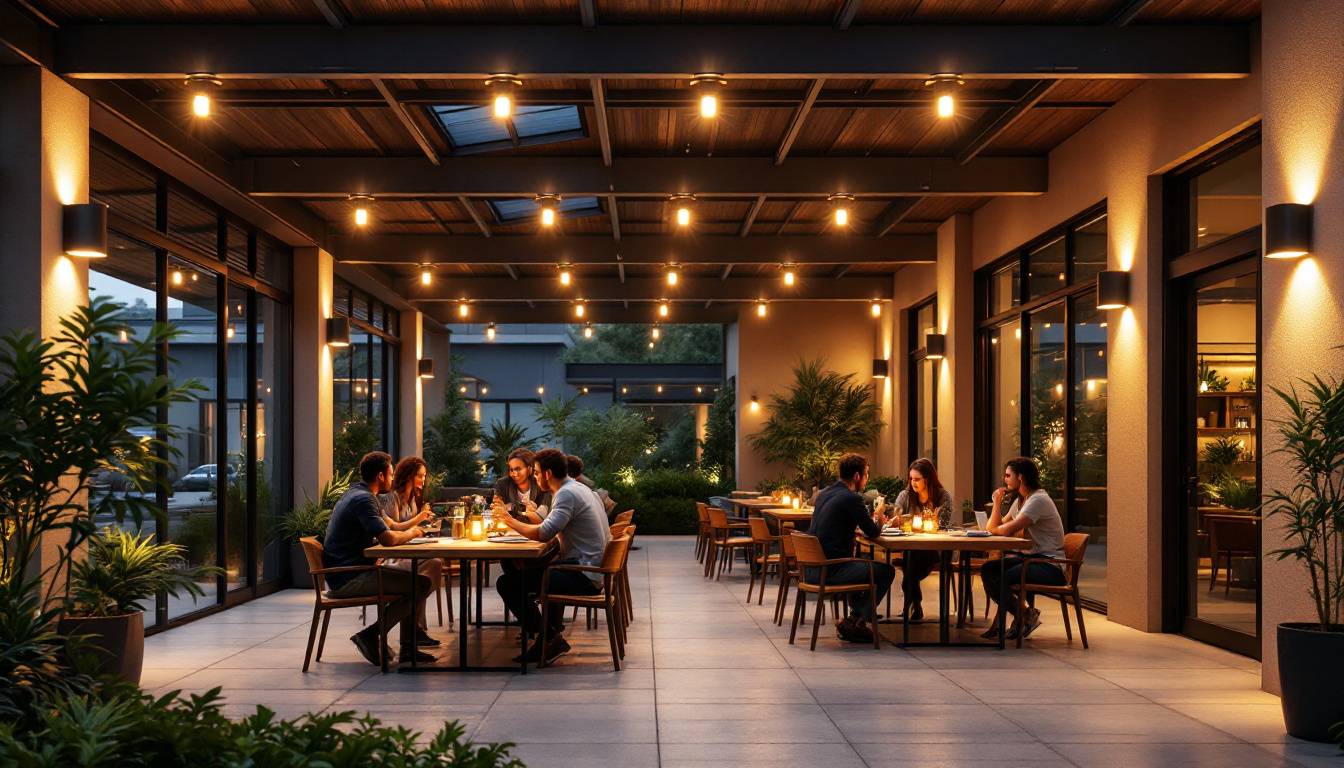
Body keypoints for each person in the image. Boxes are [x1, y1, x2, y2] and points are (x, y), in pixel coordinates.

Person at [496, 448, 612, 664]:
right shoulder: (580, 488)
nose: (535, 477)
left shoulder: (566, 493)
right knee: (529, 571)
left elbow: (543, 532)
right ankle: (547, 637)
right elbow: (550, 527)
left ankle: (547, 636)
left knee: (507, 583)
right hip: (590, 569)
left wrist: (509, 520)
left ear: (547, 474)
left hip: (584, 575)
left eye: (537, 472)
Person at [322, 451, 434, 666]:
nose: (393, 478)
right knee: (420, 584)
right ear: (381, 476)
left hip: (351, 571)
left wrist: (412, 528)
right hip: (347, 578)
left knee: (414, 580)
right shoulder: (363, 500)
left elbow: (390, 526)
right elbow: (388, 539)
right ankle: (371, 635)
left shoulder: (359, 493)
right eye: (391, 474)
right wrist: (413, 533)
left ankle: (406, 646)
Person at [804, 453, 897, 643]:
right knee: (885, 571)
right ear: (857, 476)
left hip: (811, 568)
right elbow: (872, 532)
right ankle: (856, 620)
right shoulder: (852, 499)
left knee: (863, 565)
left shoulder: (825, 494)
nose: (867, 478)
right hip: (832, 568)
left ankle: (858, 618)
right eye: (866, 474)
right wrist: (879, 513)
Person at [981, 457, 1068, 640]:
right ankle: (1025, 614)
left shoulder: (1038, 500)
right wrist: (997, 502)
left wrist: (997, 526)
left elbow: (1003, 530)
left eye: (1008, 475)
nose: (1004, 479)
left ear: (1020, 477)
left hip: (1051, 565)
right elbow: (994, 528)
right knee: (989, 569)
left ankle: (1020, 617)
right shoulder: (1023, 500)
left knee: (1006, 575)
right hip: (1033, 559)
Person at [378, 456, 444, 648]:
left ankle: (416, 627)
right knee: (422, 573)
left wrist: (423, 521)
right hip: (391, 557)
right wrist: (419, 519)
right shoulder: (391, 497)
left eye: (424, 476)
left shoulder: (412, 498)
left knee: (435, 564)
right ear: (408, 476)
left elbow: (409, 530)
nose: (423, 480)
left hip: (408, 553)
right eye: (420, 476)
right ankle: (413, 632)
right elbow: (393, 531)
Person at [889, 458, 953, 622]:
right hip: (911, 547)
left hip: (935, 549)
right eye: (911, 479)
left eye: (917, 479)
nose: (913, 483)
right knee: (910, 562)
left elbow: (942, 524)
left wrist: (909, 519)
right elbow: (894, 519)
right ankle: (914, 606)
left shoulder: (943, 497)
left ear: (928, 479)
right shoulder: (906, 495)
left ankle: (912, 606)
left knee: (909, 565)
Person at [492, 447, 552, 522]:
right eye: (511, 469)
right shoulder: (503, 484)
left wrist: (534, 512)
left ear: (530, 469)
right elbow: (496, 509)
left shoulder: (542, 485)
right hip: (508, 530)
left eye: (518, 469)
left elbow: (544, 517)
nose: (514, 473)